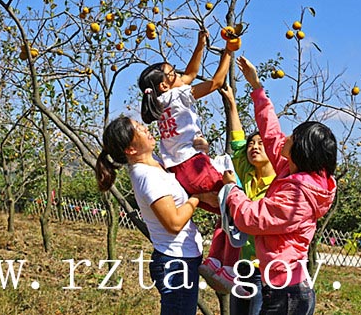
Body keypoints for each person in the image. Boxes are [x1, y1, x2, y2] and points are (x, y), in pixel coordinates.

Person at [221, 56, 337, 315]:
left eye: (293, 136)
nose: (287, 137)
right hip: (282, 287)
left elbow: (252, 219)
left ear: (301, 150)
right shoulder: (291, 169)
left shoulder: (298, 196)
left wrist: (232, 190)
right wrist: (256, 87)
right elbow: (271, 133)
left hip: (286, 294)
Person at [138, 30, 241, 291]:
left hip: (179, 172)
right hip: (194, 166)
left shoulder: (159, 102)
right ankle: (225, 267)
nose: (178, 74)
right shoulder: (178, 96)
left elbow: (191, 74)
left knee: (225, 211)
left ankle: (216, 263)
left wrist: (200, 45)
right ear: (165, 84)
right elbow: (215, 82)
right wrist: (228, 52)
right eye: (172, 73)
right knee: (237, 207)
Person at [96, 116, 217, 315]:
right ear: (130, 149)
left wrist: (201, 152)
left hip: (183, 258)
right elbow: (174, 223)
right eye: (138, 129)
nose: (145, 129)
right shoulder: (147, 176)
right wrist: (198, 197)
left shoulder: (157, 163)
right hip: (175, 262)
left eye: (141, 125)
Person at [218, 85, 276, 315]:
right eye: (252, 144)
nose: (254, 147)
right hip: (242, 266)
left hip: (264, 269)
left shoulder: (279, 183)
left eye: (261, 143)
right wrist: (232, 104)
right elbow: (237, 142)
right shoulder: (246, 172)